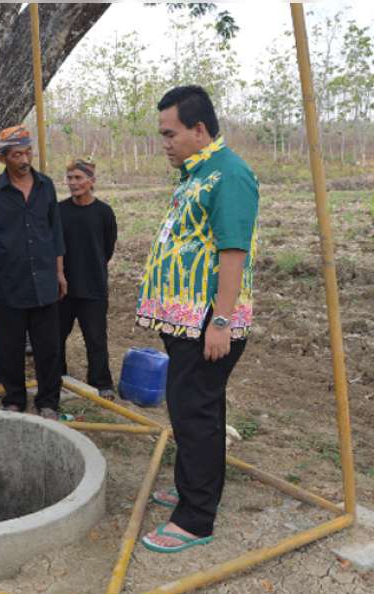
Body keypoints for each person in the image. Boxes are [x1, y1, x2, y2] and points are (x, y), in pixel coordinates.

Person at [137, 86, 259, 552]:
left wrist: (221, 321)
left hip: (208, 323)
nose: (164, 142)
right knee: (196, 410)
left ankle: (195, 518)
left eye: (170, 133)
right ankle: (196, 489)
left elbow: (233, 251)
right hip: (186, 323)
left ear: (199, 129)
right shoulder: (196, 173)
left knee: (195, 413)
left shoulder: (229, 175)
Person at [0, 125, 66, 419]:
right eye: (17, 154)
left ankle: (48, 400)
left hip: (44, 283)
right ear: (3, 158)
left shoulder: (46, 186)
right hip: (7, 284)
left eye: (27, 152)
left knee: (49, 347)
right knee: (9, 348)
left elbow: (56, 234)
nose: (25, 159)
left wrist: (60, 273)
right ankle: (14, 397)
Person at [59, 159, 118, 398]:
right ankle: (58, 377)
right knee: (56, 336)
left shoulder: (103, 212)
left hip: (93, 287)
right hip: (62, 288)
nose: (74, 183)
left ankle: (101, 383)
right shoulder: (59, 210)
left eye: (79, 178)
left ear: (91, 182)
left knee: (95, 338)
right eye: (70, 178)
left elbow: (107, 248)